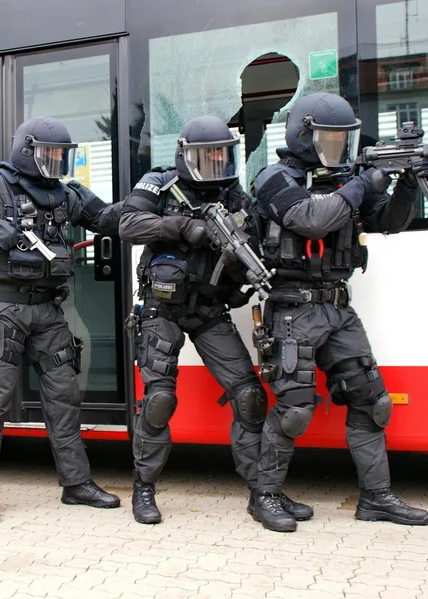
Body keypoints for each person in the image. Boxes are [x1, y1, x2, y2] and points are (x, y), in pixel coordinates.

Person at [246, 92, 428, 532]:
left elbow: (388, 221)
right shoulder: (274, 179)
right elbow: (311, 219)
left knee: (372, 401)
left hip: (337, 308)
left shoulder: (347, 180)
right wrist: (365, 182)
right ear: (303, 136)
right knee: (294, 408)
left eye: (343, 139)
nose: (338, 147)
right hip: (293, 310)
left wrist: (406, 184)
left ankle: (376, 497)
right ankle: (265, 495)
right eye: (329, 138)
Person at [117, 115, 307, 525]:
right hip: (161, 309)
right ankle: (144, 488)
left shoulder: (234, 197)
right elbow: (128, 224)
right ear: (186, 156)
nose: (217, 162)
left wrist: (238, 262)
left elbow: (255, 243)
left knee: (249, 396)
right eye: (209, 156)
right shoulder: (160, 182)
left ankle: (263, 491)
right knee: (159, 400)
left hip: (208, 311)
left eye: (223, 155)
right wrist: (185, 227)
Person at [0, 116, 122, 522]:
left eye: (60, 155)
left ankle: (76, 483)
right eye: (48, 153)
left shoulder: (66, 194)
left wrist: (146, 197)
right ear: (26, 150)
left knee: (64, 397)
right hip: (4, 308)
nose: (55, 161)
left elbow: (106, 219)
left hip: (48, 310)